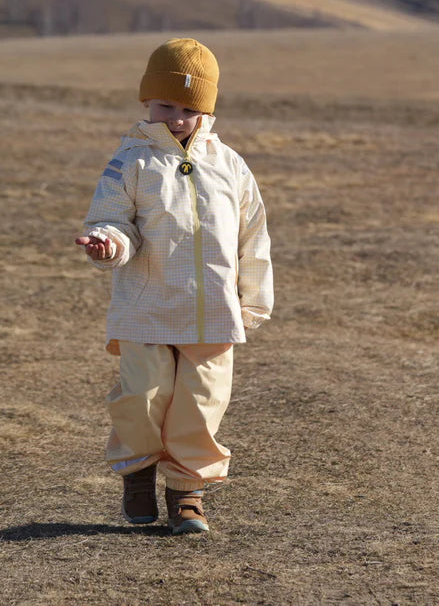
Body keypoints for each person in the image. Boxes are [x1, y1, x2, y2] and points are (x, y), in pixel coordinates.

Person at [76, 38, 273, 535]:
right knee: (143, 398)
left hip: (212, 314)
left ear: (205, 109)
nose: (178, 117)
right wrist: (107, 242)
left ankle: (188, 492)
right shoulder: (131, 162)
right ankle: (138, 473)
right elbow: (114, 221)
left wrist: (252, 302)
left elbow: (253, 234)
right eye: (167, 105)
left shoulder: (229, 164)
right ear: (147, 101)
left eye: (190, 108)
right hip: (148, 310)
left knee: (202, 404)